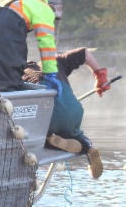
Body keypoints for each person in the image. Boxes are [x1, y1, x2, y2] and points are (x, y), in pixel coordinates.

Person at [23, 48, 109, 179]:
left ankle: (50, 141)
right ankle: (87, 147)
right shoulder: (54, 62)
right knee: (74, 132)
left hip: (49, 116)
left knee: (35, 137)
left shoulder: (19, 73)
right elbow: (85, 53)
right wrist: (100, 76)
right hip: (74, 111)